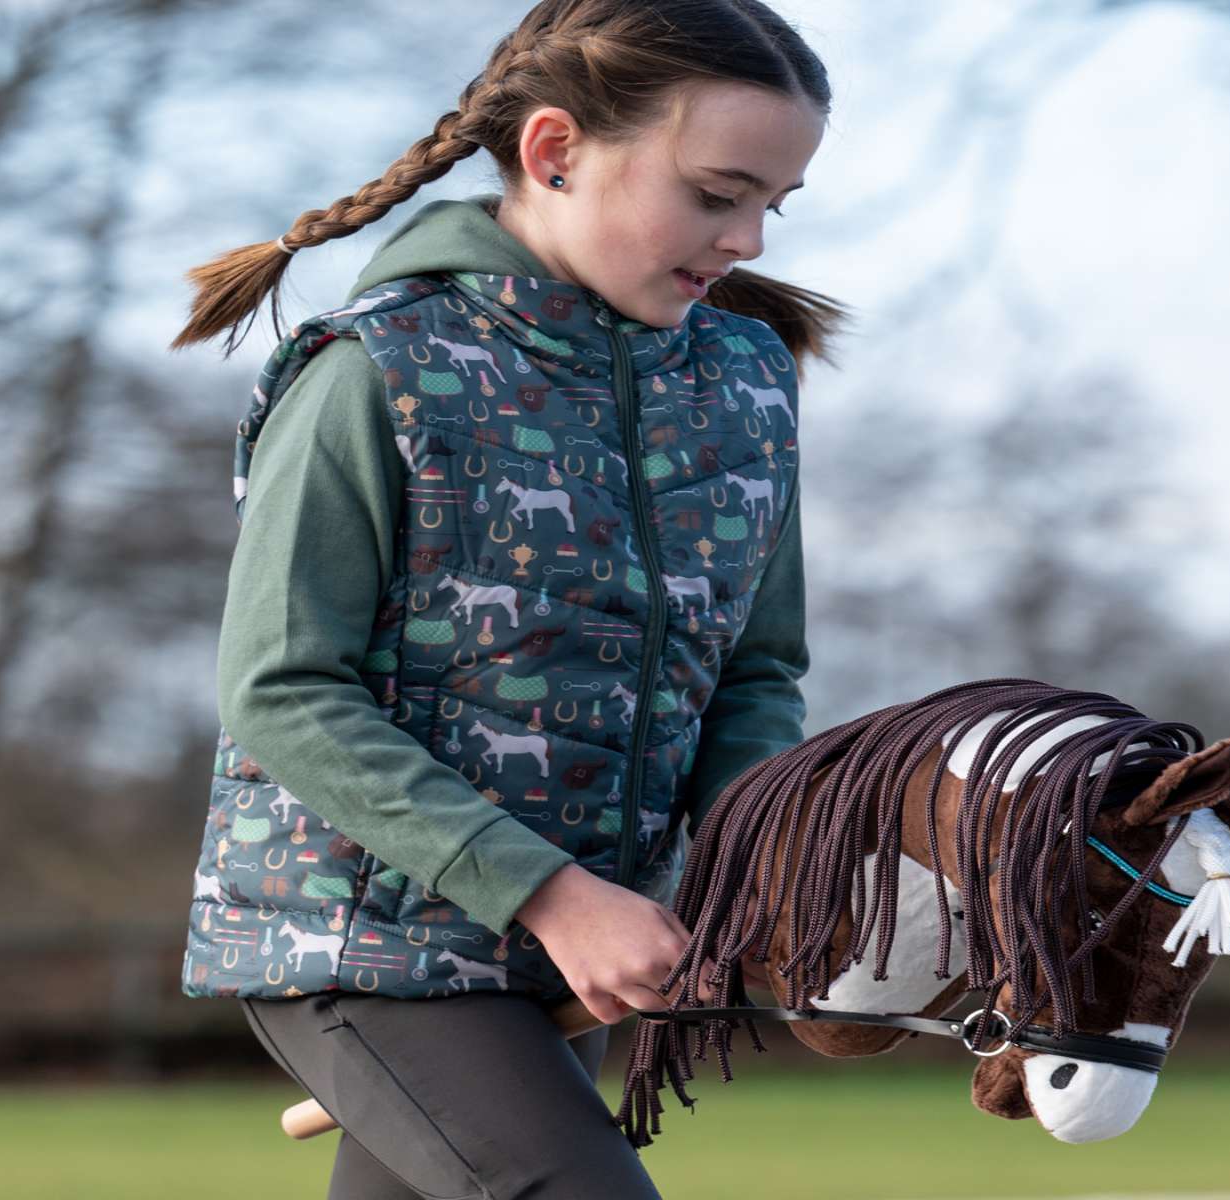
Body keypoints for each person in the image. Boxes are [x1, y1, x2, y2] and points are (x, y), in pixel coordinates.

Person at [171, 2, 847, 1195]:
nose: (745, 238)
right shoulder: (374, 370)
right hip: (363, 942)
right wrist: (555, 897)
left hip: (557, 958)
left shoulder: (746, 386)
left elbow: (754, 674)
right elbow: (283, 690)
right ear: (554, 153)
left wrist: (752, 871)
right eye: (713, 193)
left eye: (770, 207)